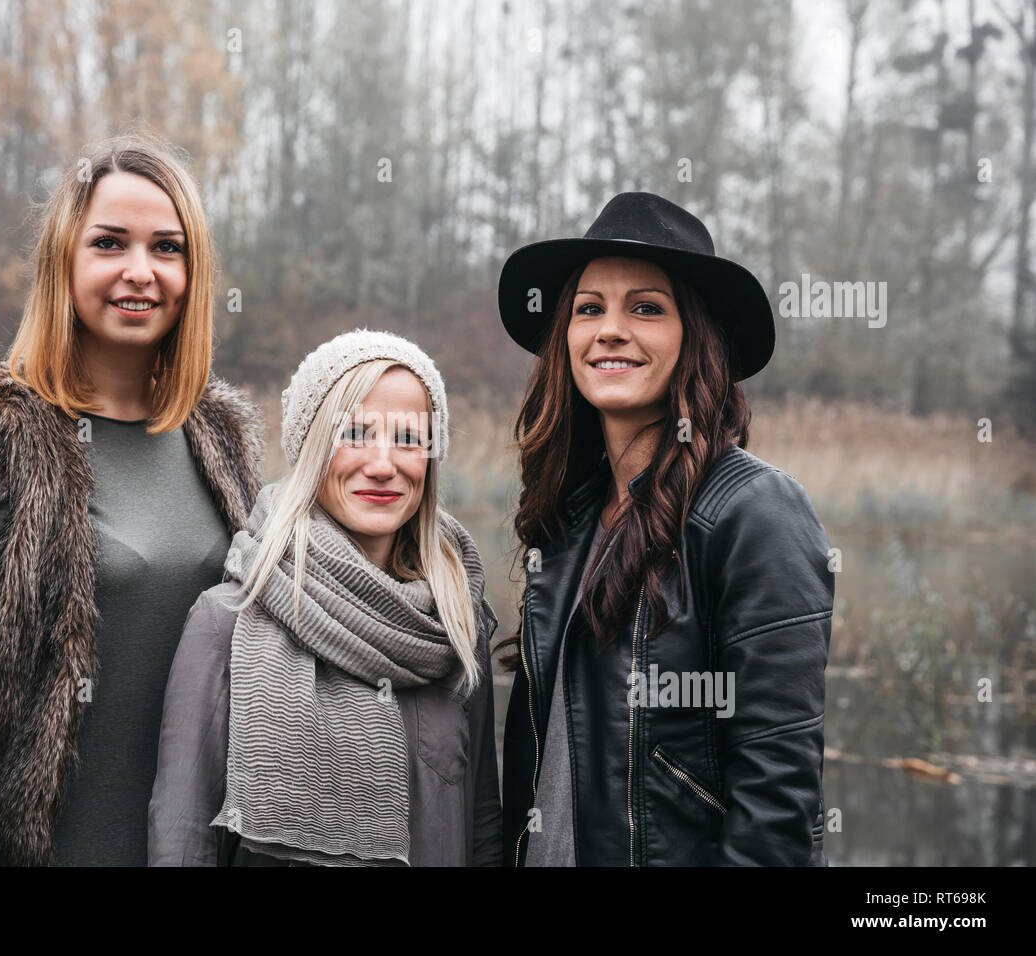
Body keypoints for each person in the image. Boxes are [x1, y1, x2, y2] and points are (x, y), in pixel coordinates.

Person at [0, 132, 264, 866]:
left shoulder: (219, 437)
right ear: (64, 260)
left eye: (167, 248)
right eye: (110, 243)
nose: (140, 272)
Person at [496, 192, 834, 866]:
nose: (610, 329)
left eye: (646, 308)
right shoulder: (568, 521)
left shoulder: (754, 514)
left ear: (694, 337)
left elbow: (777, 809)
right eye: (589, 308)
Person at [148, 330, 502, 866]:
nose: (383, 464)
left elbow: (482, 828)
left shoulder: (454, 627)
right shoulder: (226, 621)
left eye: (409, 438)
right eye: (354, 433)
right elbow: (182, 836)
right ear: (312, 449)